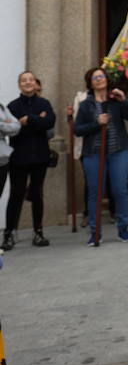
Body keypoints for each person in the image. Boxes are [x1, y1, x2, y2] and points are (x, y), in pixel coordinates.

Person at [74, 70, 128, 244]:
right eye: (95, 77)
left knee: (120, 190)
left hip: (118, 151)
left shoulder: (115, 100)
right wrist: (97, 123)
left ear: (107, 80)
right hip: (93, 153)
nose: (99, 79)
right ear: (90, 83)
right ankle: (95, 233)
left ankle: (123, 230)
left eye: (101, 76)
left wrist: (124, 100)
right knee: (95, 192)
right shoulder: (86, 105)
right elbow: (78, 130)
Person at [3, 72, 56, 249]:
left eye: (30, 80)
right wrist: (38, 120)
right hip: (19, 157)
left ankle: (38, 232)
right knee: (16, 195)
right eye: (24, 80)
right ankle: (9, 233)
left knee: (37, 194)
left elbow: (50, 122)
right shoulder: (12, 106)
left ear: (35, 83)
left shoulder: (44, 103)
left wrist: (29, 120)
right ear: (19, 85)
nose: (27, 82)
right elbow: (12, 129)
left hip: (40, 156)